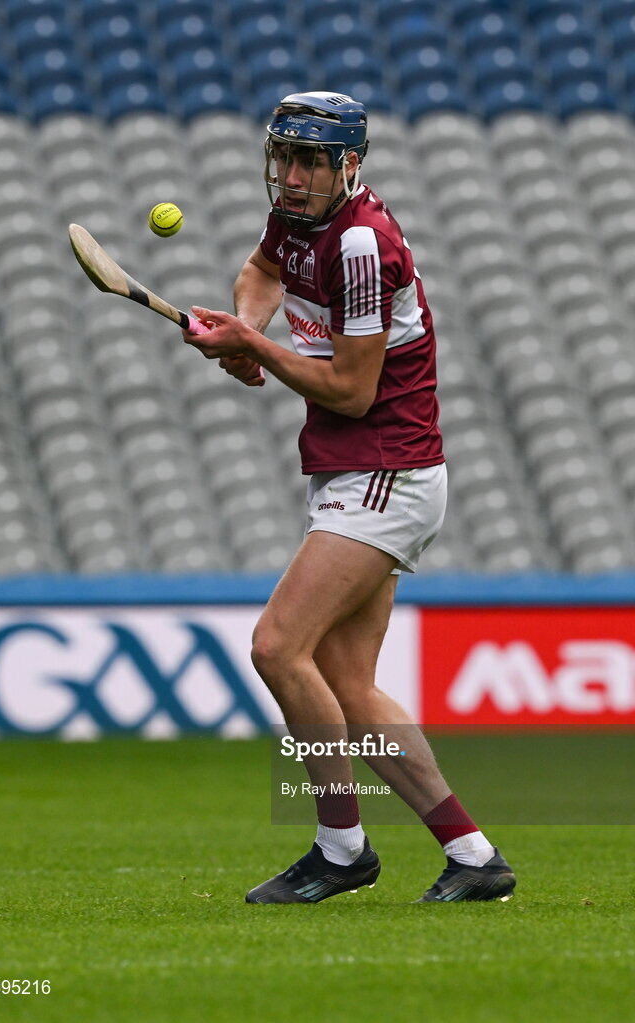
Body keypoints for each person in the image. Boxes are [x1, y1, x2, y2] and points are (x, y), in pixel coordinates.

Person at [182, 91, 515, 904]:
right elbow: (259, 272)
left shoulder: (362, 243)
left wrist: (255, 344)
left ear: (348, 166)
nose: (291, 178)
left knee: (275, 646)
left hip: (385, 466)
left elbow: (355, 390)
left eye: (309, 163)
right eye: (284, 160)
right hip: (354, 466)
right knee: (347, 679)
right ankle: (473, 857)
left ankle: (340, 848)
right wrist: (247, 330)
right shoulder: (298, 219)